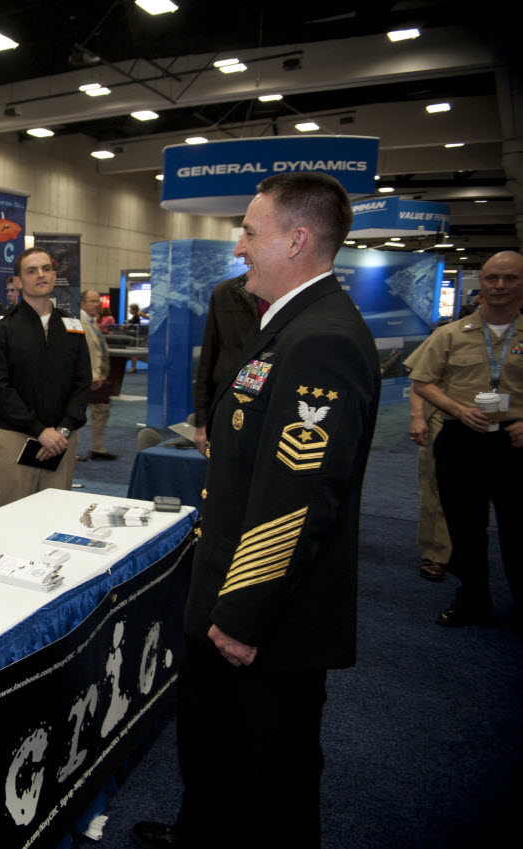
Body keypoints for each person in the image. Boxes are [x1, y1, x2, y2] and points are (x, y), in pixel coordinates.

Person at [132, 172, 380, 849]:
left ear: (297, 239)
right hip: (234, 592)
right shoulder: (290, 325)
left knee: (275, 778)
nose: (238, 246)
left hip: (267, 618)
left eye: (249, 230)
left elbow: (296, 502)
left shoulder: (320, 339)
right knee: (216, 749)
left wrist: (241, 616)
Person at [407, 250, 523, 628]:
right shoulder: (451, 335)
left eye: (510, 278)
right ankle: (473, 598)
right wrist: (456, 410)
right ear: (481, 283)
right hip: (462, 439)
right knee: (463, 526)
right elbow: (422, 381)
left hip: (515, 441)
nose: (499, 286)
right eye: (491, 278)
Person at [0, 247, 90, 507]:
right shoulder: (2, 327)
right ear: (18, 282)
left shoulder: (72, 326)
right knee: (13, 522)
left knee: (53, 520)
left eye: (46, 269)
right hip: (18, 439)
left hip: (62, 442)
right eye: (31, 271)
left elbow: (82, 384)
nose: (40, 275)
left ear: (54, 276)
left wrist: (61, 432)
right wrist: (39, 431)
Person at [192, 274, 260, 455]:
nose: (239, 250)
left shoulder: (301, 296)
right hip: (229, 407)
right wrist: (202, 422)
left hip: (274, 411)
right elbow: (208, 358)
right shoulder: (225, 293)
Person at [404, 339, 451, 581]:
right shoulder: (449, 336)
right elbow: (420, 380)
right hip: (445, 420)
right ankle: (434, 554)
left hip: (506, 427)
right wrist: (417, 416)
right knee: (435, 489)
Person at [77, 288, 115, 461]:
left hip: (98, 377)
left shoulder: (92, 321)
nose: (97, 304)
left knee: (101, 411)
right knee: (74, 415)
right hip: (85, 378)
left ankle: (97, 448)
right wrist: (92, 374)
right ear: (83, 303)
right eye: (92, 301)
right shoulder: (78, 322)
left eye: (98, 301)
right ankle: (68, 450)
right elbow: (81, 351)